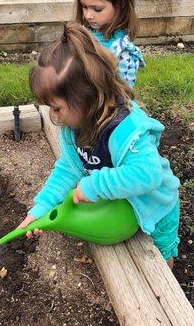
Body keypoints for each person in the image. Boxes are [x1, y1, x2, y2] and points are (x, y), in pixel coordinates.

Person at [18, 22, 180, 268]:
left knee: (161, 252)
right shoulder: (74, 128)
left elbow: (149, 174)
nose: (53, 116)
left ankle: (168, 286)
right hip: (123, 204)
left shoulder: (126, 130)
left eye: (57, 107)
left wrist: (94, 185)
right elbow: (68, 168)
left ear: (87, 98)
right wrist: (42, 206)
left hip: (155, 205)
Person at [75, 0, 145, 88]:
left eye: (97, 9)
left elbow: (122, 99)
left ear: (120, 4)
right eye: (84, 6)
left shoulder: (123, 54)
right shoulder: (86, 33)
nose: (88, 15)